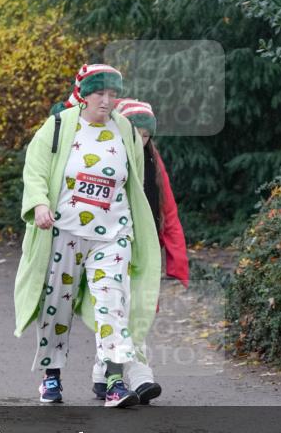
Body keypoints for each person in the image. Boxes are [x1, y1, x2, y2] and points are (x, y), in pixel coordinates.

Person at [14, 64, 161, 408]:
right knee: (56, 306)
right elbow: (35, 169)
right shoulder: (58, 126)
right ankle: (51, 377)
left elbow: (134, 179)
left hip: (113, 234)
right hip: (64, 232)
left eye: (113, 94)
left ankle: (113, 381)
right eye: (100, 94)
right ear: (83, 93)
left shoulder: (124, 128)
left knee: (113, 305)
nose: (107, 101)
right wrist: (38, 204)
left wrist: (132, 226)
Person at [89, 99, 189, 404]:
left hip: (143, 249)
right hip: (108, 244)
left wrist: (176, 257)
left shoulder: (152, 164)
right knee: (114, 308)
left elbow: (168, 210)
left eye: (146, 135)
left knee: (138, 310)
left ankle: (101, 372)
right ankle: (140, 374)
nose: (141, 140)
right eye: (136, 133)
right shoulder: (104, 158)